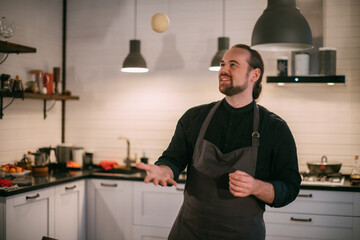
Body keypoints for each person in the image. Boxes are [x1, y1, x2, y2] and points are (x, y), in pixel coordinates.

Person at [136, 43, 301, 240]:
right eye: (222, 64)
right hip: (189, 231)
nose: (223, 70)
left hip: (242, 234)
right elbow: (174, 158)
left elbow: (289, 189)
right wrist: (164, 170)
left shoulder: (275, 129)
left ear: (254, 75)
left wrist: (255, 186)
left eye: (233, 65)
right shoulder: (194, 117)